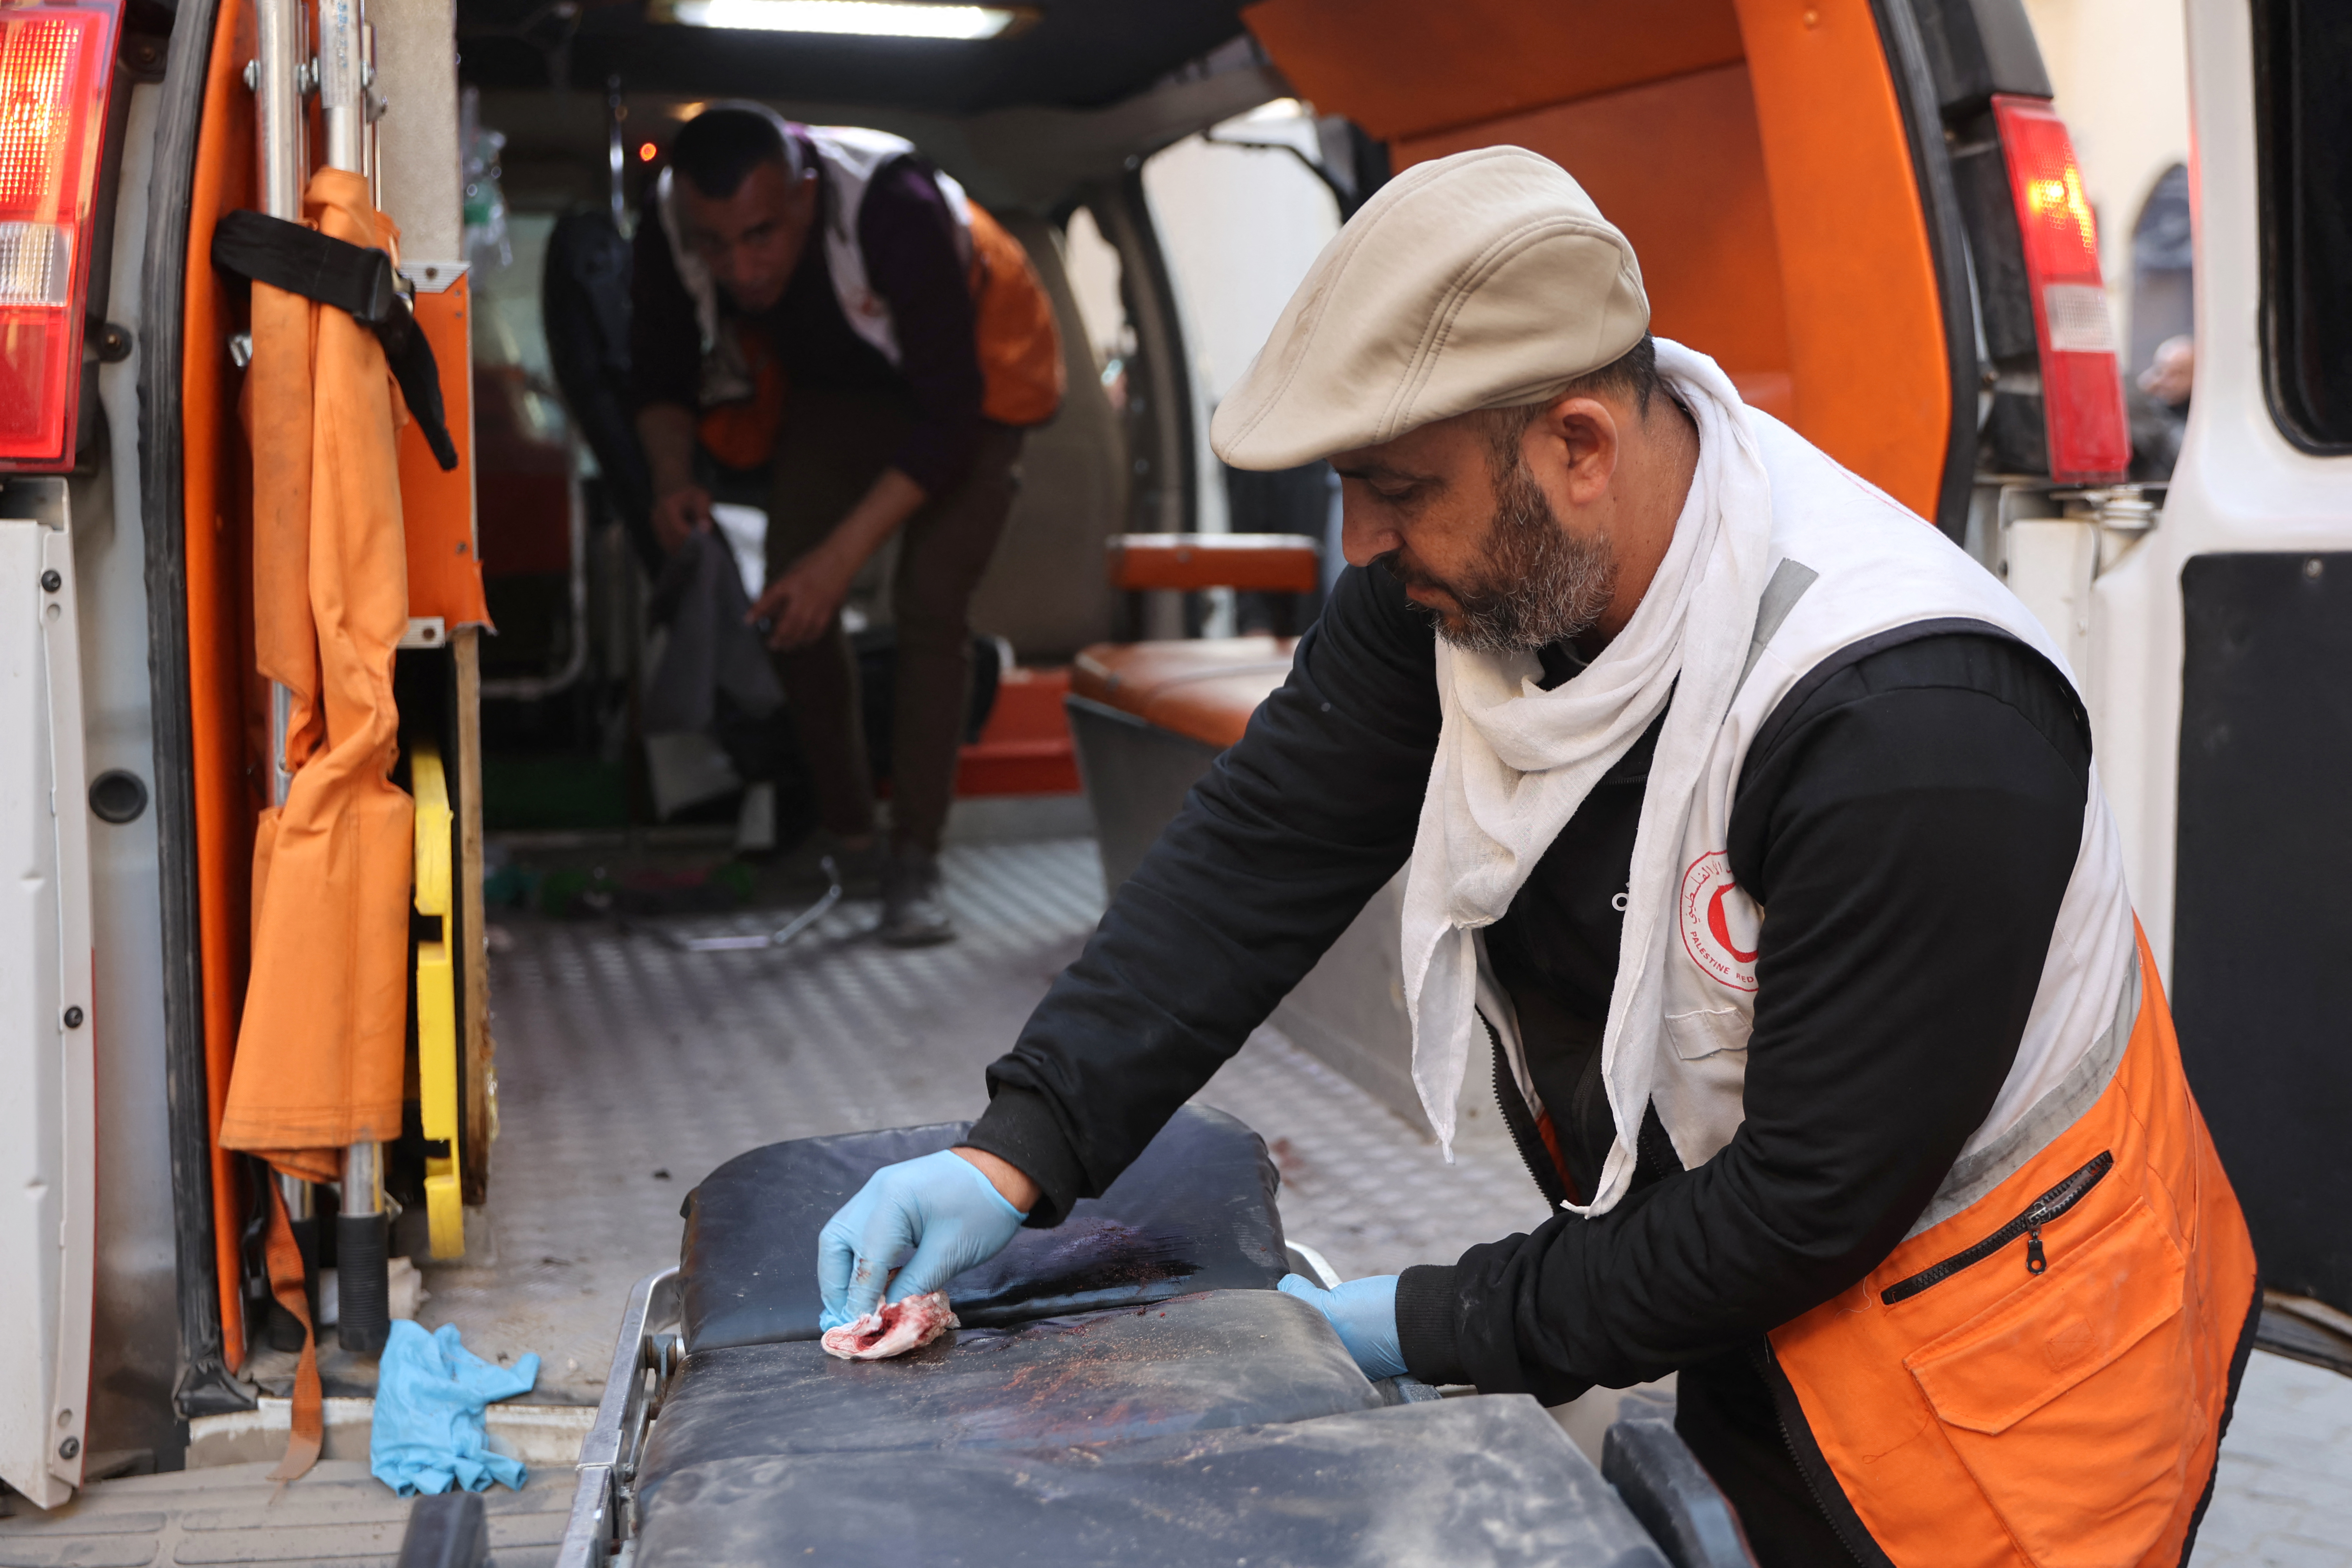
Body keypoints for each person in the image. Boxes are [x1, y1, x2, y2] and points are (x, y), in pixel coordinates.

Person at [814, 148, 2257, 1564]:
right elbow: (1263, 843)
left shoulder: (1908, 722)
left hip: (2012, 1349)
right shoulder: (1468, 573)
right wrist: (1018, 1146)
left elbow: (1802, 1201)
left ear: (1576, 445)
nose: (1358, 537)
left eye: (1393, 487)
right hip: (1759, 1271)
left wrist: (1393, 1327)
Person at [631, 105, 1062, 943]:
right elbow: (658, 368)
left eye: (760, 235)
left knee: (930, 601)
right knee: (788, 601)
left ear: (802, 196)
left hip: (966, 389)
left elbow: (947, 423)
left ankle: (915, 863)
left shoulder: (891, 204)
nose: (740, 268)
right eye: (716, 244)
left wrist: (842, 561)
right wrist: (672, 479)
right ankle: (850, 839)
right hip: (841, 389)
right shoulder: (668, 221)